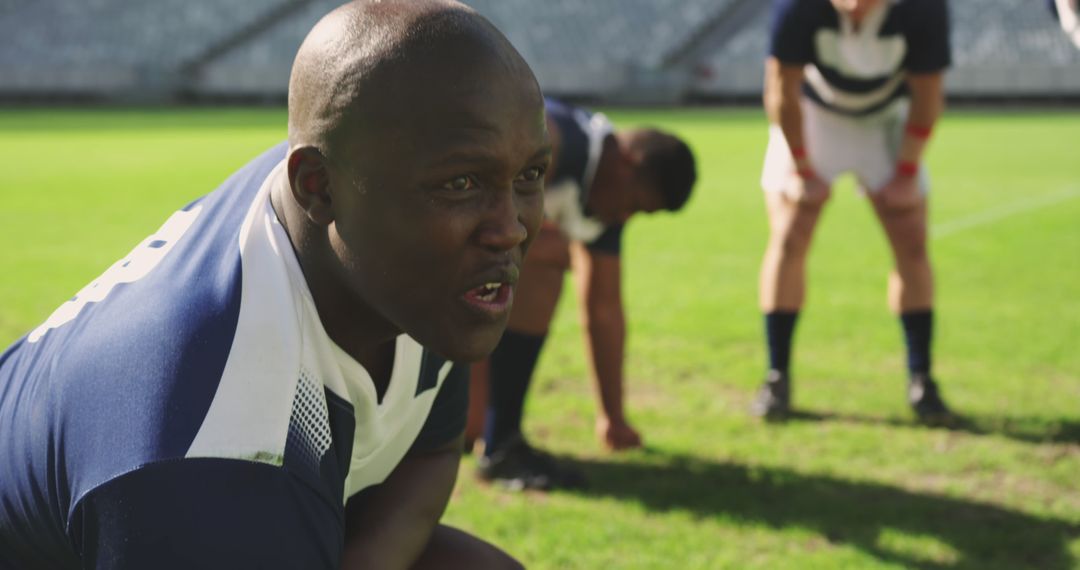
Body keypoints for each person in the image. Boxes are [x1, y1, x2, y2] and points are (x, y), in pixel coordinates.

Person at [0, 1, 549, 568]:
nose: (511, 228)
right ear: (317, 187)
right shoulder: (209, 438)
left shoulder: (373, 221)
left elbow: (430, 449)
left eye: (531, 174)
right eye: (461, 183)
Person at [465, 98, 697, 490]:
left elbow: (603, 309)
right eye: (635, 206)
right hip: (404, 234)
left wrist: (613, 417)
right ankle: (498, 441)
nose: (625, 218)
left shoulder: (607, 190)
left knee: (466, 428)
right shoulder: (548, 140)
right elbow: (473, 221)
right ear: (627, 164)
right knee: (548, 253)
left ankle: (494, 435)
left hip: (452, 266)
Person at [752, 0, 954, 423]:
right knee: (790, 233)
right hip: (815, 115)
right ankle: (777, 377)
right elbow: (781, 90)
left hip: (884, 118)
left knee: (912, 241)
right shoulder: (798, 6)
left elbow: (928, 93)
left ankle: (922, 379)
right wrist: (803, 169)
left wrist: (905, 172)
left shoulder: (924, 8)